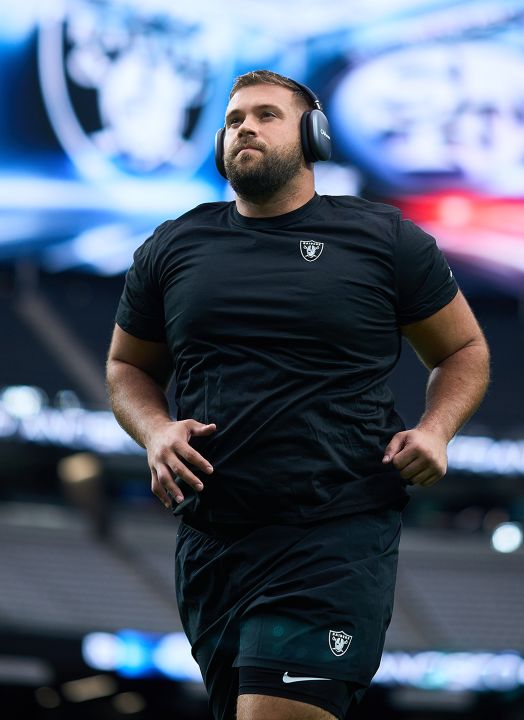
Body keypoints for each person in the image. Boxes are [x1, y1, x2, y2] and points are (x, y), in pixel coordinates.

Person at [106, 70, 490, 720]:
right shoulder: (172, 247)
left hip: (333, 535)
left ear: (312, 136)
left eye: (265, 116)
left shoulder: (384, 241)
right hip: (211, 546)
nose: (244, 128)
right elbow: (126, 368)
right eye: (233, 121)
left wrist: (435, 429)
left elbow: (463, 352)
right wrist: (155, 431)